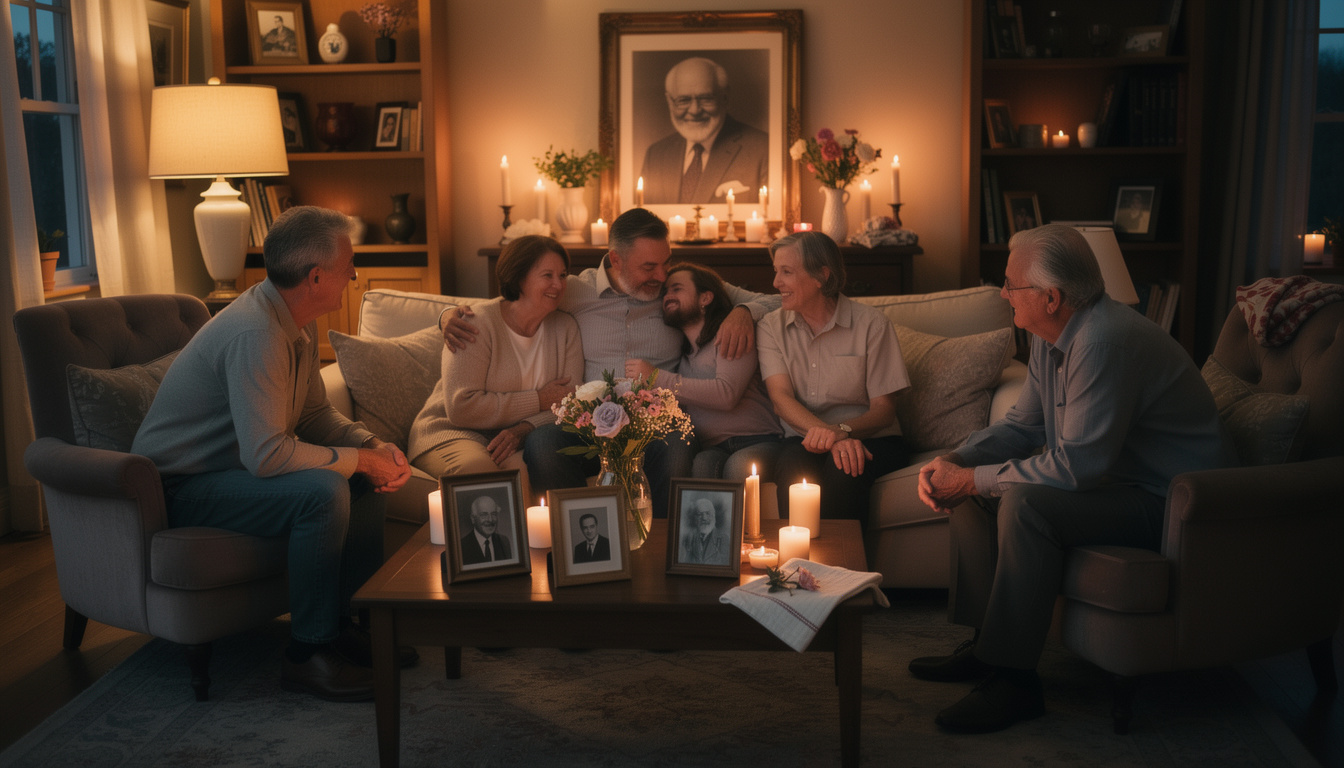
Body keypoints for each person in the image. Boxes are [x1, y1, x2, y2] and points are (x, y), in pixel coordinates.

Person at [909, 224, 1234, 734]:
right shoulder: (1052, 334)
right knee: (976, 489)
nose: (1002, 293)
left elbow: (1076, 467)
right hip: (1119, 488)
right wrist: (955, 461)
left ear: (1051, 297)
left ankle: (1015, 683)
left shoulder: (1103, 341)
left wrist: (973, 479)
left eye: (1011, 285)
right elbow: (1023, 427)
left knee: (1023, 503)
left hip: (1173, 505)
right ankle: (988, 647)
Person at [131, 206, 413, 703]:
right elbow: (265, 456)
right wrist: (353, 461)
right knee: (324, 490)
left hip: (232, 469)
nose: (353, 273)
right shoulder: (257, 333)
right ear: (316, 276)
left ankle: (345, 623)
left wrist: (368, 445)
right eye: (348, 264)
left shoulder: (293, 323)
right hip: (184, 485)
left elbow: (311, 417)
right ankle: (308, 654)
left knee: (362, 475)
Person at [441, 207, 779, 518]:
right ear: (615, 259)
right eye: (648, 267)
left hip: (658, 419)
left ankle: (662, 544)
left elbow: (774, 299)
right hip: (590, 419)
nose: (661, 275)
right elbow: (506, 303)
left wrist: (743, 311)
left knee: (679, 444)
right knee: (543, 444)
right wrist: (445, 317)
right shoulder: (571, 290)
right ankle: (580, 546)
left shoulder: (676, 288)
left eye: (666, 262)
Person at [408, 235, 582, 505]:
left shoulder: (566, 328)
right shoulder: (476, 322)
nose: (558, 285)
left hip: (516, 438)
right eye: (547, 275)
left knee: (526, 476)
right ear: (519, 277)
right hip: (453, 432)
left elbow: (570, 404)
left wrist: (526, 427)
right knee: (481, 475)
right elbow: (461, 407)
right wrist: (539, 399)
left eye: (563, 275)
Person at [757, 231, 911, 522]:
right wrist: (832, 437)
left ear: (822, 276)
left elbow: (884, 411)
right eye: (776, 271)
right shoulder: (770, 327)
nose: (776, 283)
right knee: (792, 468)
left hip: (872, 437)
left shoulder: (872, 325)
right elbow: (781, 398)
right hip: (803, 439)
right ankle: (797, 566)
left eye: (786, 272)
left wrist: (842, 431)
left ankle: (841, 566)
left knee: (846, 469)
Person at [625, 262, 782, 484]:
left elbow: (726, 394)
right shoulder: (684, 357)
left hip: (757, 440)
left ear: (705, 298)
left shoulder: (730, 334)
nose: (668, 296)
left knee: (739, 467)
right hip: (713, 446)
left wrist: (655, 377)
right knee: (701, 467)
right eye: (666, 291)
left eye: (677, 289)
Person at [640, 57, 769, 205]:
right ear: (670, 102)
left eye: (706, 99)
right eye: (683, 100)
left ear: (724, 98)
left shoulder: (762, 149)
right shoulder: (655, 155)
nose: (695, 110)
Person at [459, 494, 513, 565]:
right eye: (484, 515)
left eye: (493, 514)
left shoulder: (504, 542)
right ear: (473, 519)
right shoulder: (461, 547)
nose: (490, 520)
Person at [680, 497, 731, 565]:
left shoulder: (724, 539)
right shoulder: (689, 538)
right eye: (700, 514)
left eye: (707, 513)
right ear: (695, 518)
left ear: (713, 515)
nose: (704, 518)